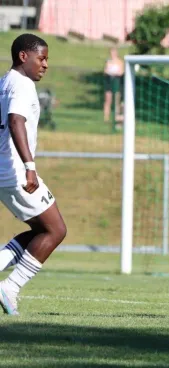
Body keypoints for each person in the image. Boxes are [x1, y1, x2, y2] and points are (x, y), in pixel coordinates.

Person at [0, 34, 68, 315]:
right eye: (42, 58)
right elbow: (16, 121)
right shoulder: (23, 85)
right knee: (56, 230)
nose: (45, 65)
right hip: (15, 171)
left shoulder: (4, 82)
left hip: (3, 171)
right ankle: (10, 287)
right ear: (23, 57)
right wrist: (29, 166)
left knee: (41, 230)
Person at [103, 47, 124, 123]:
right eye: (111, 53)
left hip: (117, 82)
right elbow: (105, 71)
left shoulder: (120, 62)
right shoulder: (108, 61)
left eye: (114, 52)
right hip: (109, 82)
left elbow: (121, 72)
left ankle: (116, 117)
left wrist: (114, 73)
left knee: (117, 100)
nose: (112, 54)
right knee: (108, 100)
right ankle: (106, 118)